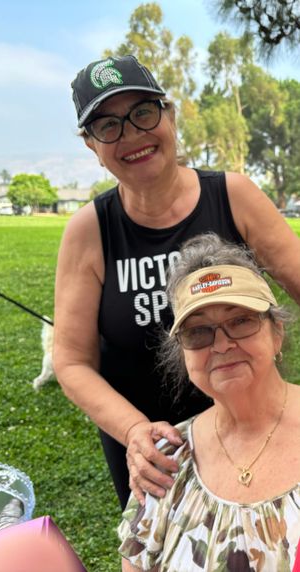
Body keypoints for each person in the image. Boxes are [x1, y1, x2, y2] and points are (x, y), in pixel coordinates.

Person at [53, 54, 300, 510]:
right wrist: (132, 431)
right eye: (108, 126)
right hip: (156, 455)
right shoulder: (89, 231)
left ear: (169, 114)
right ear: (91, 145)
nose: (131, 136)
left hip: (255, 427)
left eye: (143, 113)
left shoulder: (234, 196)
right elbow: (70, 361)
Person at [119, 233, 300, 571]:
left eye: (241, 321)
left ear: (277, 332)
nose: (220, 345)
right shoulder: (165, 459)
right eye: (198, 332)